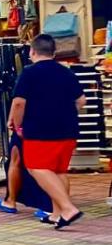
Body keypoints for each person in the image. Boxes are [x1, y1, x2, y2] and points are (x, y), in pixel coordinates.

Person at [8, 34, 86, 229]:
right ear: (54, 52)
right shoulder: (66, 72)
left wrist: (17, 125)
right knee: (59, 170)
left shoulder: (29, 73)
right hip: (68, 130)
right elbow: (81, 101)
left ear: (32, 51)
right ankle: (57, 213)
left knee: (37, 167)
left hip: (40, 131)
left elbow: (19, 103)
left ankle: (68, 208)